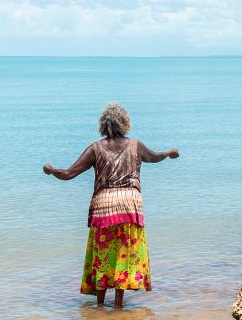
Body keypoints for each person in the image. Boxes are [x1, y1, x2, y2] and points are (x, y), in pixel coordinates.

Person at [42, 103, 178, 308]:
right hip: (129, 206)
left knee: (103, 253)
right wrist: (169, 153)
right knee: (124, 254)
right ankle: (118, 305)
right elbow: (154, 157)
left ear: (103, 125)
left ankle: (99, 304)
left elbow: (69, 174)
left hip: (104, 208)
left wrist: (51, 171)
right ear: (124, 123)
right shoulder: (136, 145)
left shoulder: (96, 148)